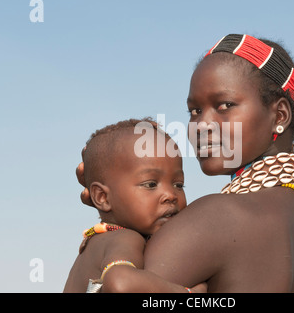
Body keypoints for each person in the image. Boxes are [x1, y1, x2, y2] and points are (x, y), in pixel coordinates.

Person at [76, 34, 294, 292]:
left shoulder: (216, 218)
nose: (202, 125)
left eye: (224, 105)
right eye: (195, 111)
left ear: (279, 114)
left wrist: (107, 232)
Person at [64, 118, 206, 293]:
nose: (171, 195)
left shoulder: (95, 243)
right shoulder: (125, 238)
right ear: (102, 197)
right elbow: (121, 283)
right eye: (150, 184)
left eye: (178, 185)